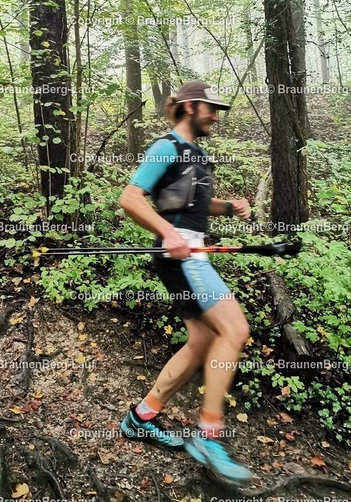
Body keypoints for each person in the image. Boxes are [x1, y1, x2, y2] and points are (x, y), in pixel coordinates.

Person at [119, 80, 253, 483]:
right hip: (181, 255)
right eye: (211, 108)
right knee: (235, 330)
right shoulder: (166, 147)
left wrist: (228, 207)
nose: (216, 116)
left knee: (202, 340)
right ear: (191, 106)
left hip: (191, 252)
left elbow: (192, 202)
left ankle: (141, 417)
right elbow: (130, 198)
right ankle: (208, 436)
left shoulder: (196, 154)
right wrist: (168, 233)